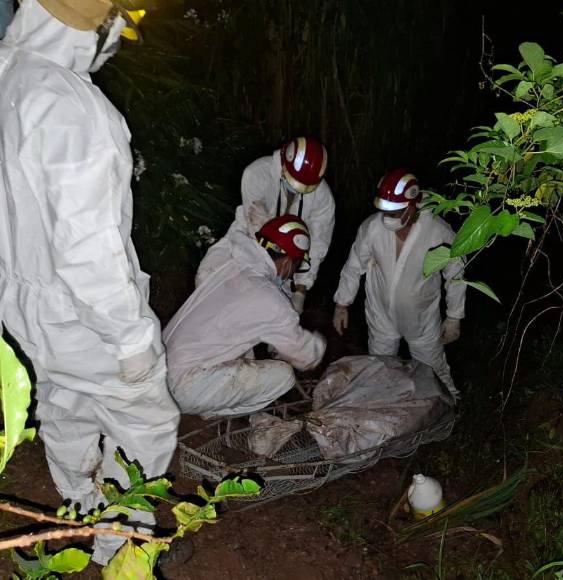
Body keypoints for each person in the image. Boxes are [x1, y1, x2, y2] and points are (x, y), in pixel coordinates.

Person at [0, 0, 179, 566]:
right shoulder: (72, 106)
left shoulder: (10, 74)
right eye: (118, 29)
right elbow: (88, 248)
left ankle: (79, 505)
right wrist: (131, 340)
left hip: (20, 301)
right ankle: (120, 550)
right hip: (80, 312)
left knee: (64, 402)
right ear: (95, 25)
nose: (118, 43)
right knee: (144, 421)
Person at [163, 216, 326, 417]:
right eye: (294, 266)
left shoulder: (228, 264)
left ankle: (203, 401)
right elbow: (304, 356)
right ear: (286, 263)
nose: (291, 274)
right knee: (284, 377)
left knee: (245, 348)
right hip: (183, 386)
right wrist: (320, 343)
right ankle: (209, 412)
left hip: (157, 369)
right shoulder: (272, 301)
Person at [332, 169, 466, 397]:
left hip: (421, 320)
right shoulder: (372, 228)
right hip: (381, 316)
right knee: (380, 370)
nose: (388, 217)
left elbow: (456, 272)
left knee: (434, 371)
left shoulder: (436, 231)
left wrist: (454, 316)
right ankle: (388, 413)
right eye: (385, 211)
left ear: (413, 205)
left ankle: (451, 409)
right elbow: (354, 266)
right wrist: (342, 304)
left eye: (396, 212)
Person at [195, 137, 335, 314]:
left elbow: (317, 244)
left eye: (305, 187)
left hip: (286, 266)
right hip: (245, 243)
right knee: (207, 284)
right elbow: (257, 225)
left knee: (281, 320)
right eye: (294, 182)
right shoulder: (257, 174)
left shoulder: (323, 198)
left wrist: (301, 289)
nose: (298, 190)